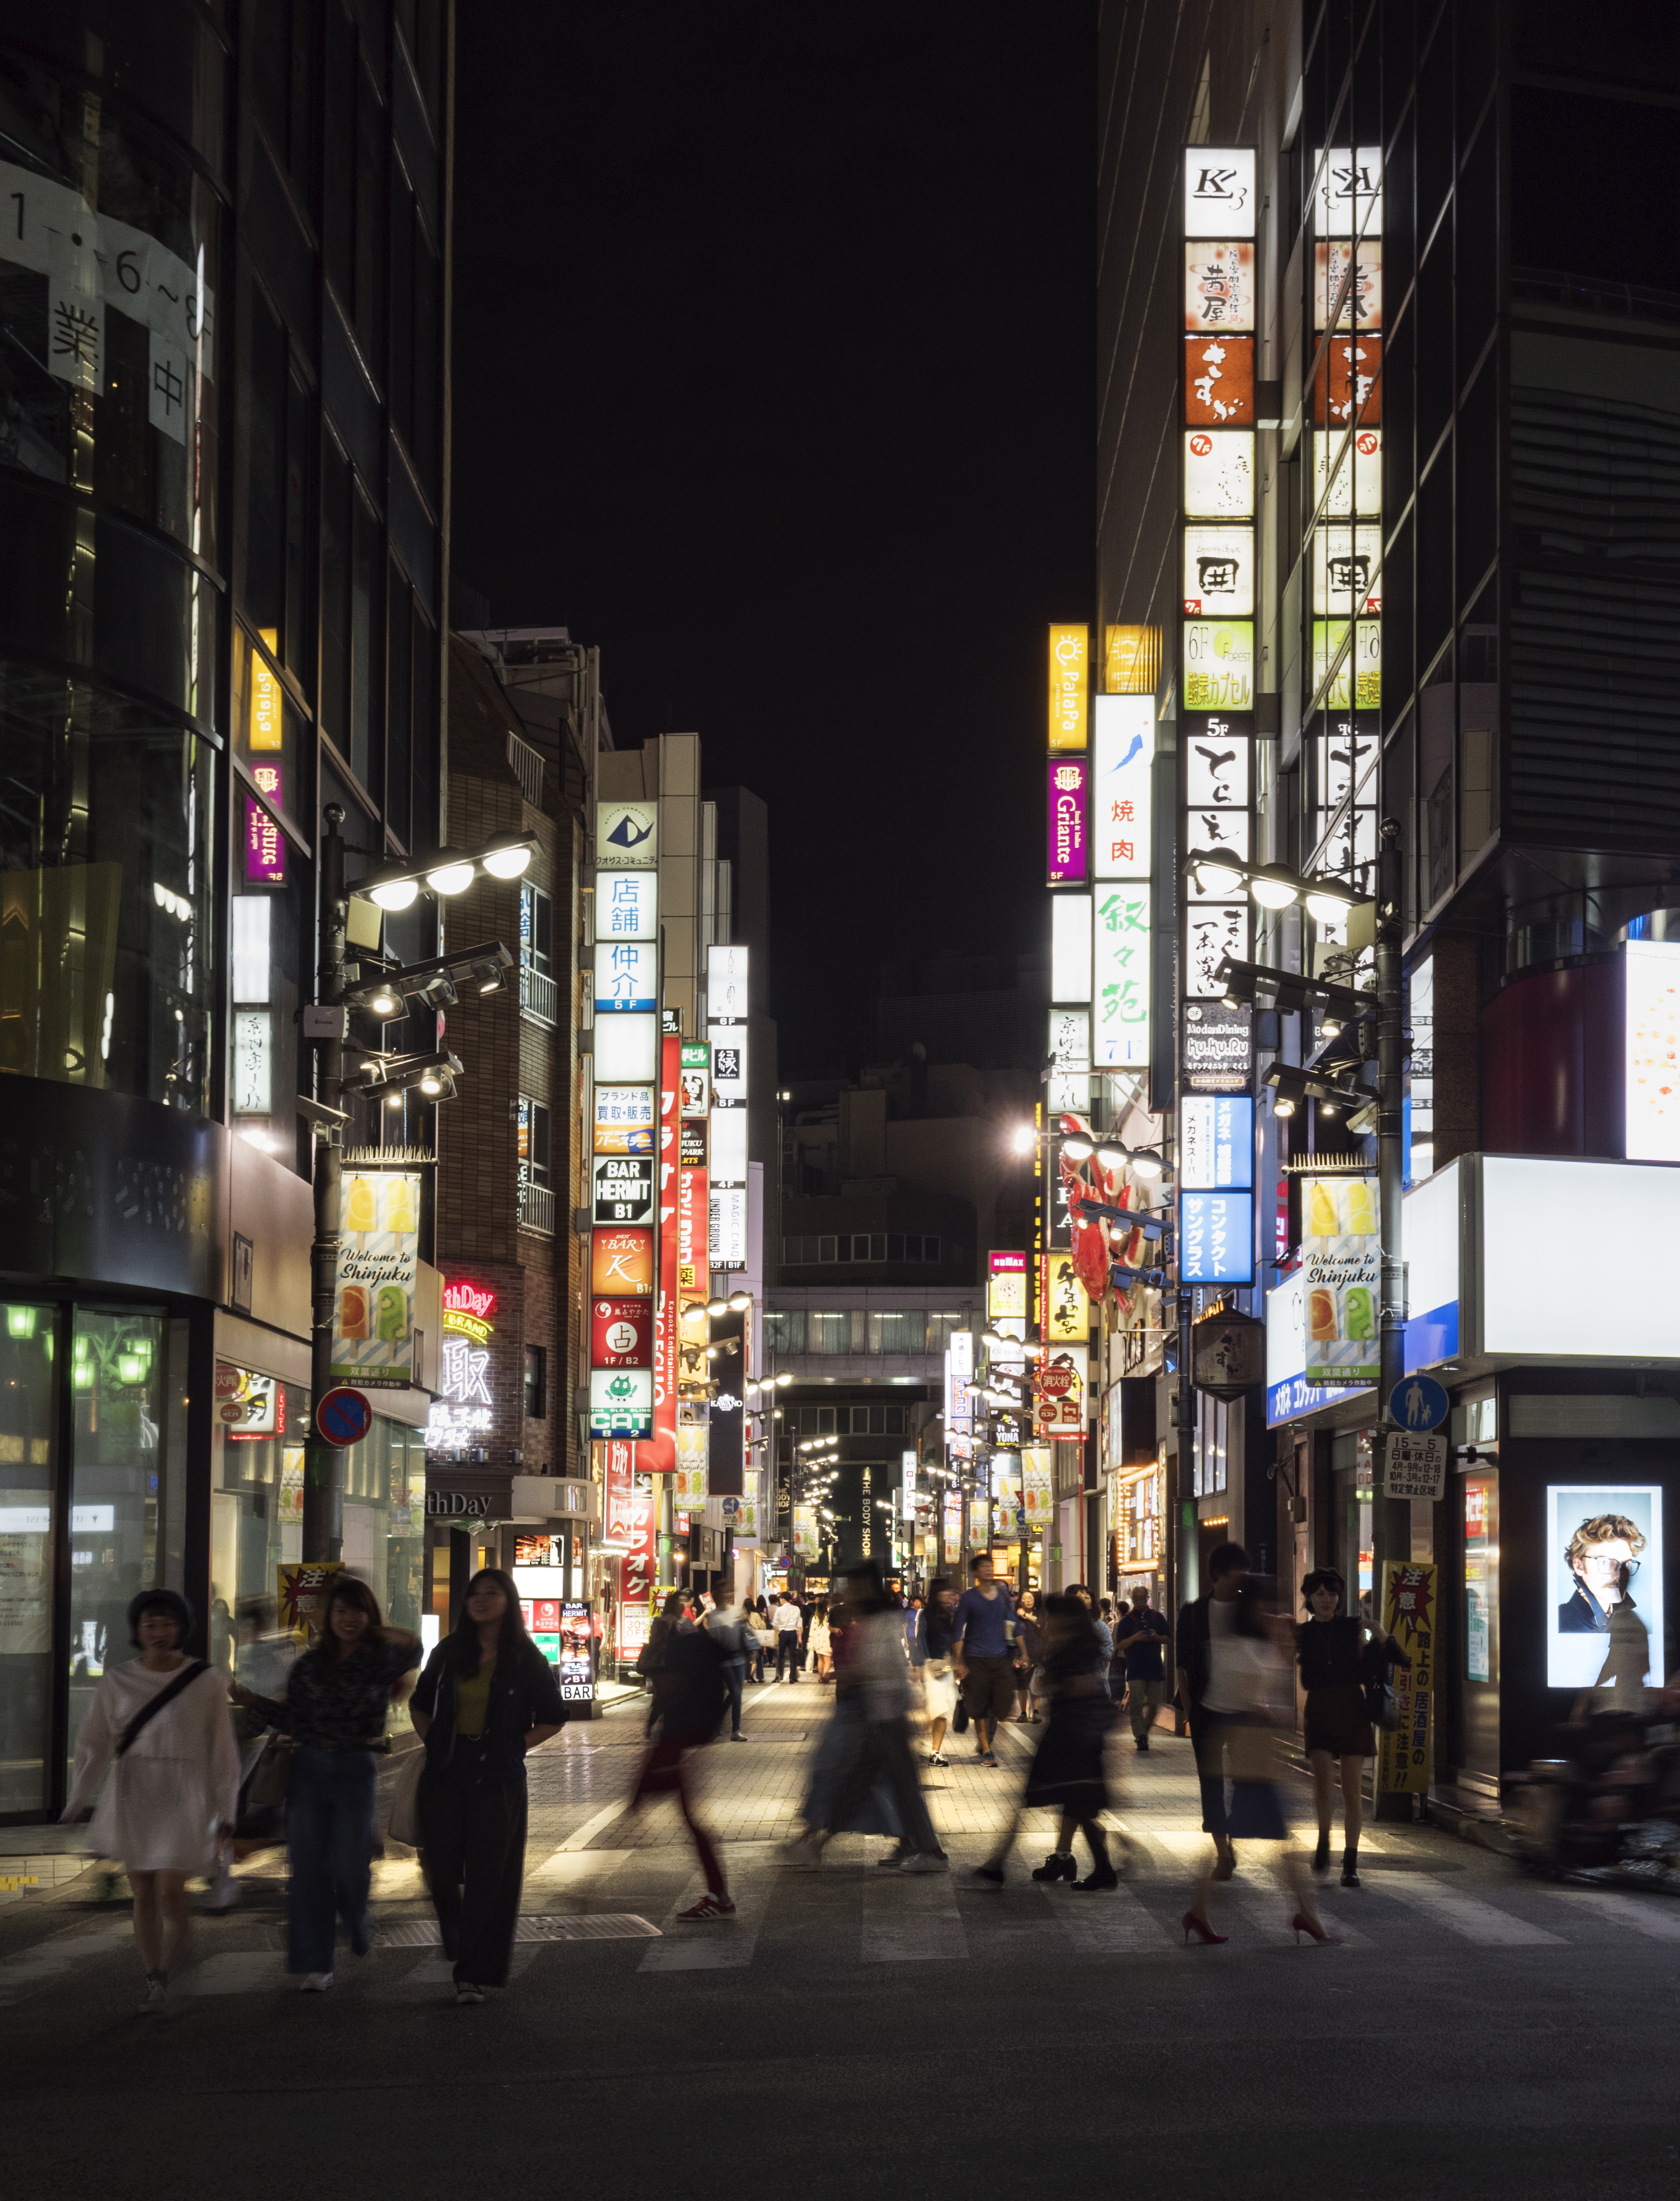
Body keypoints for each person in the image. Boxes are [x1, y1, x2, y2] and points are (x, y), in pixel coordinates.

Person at [233, 1573, 421, 1992]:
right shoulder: (308, 1665)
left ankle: (356, 1917)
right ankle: (315, 1962)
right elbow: (291, 1717)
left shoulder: (379, 1660)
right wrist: (252, 1705)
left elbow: (413, 1645)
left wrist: (372, 1627)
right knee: (307, 1870)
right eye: (340, 1611)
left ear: (369, 1615)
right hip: (310, 1769)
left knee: (351, 1866)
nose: (348, 1619)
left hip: (356, 1768)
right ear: (327, 1617)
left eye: (357, 1611)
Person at [64, 1589, 241, 2011]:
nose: (159, 1633)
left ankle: (174, 1963)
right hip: (134, 1790)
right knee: (142, 1891)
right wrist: (77, 1798)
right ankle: (154, 1976)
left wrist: (227, 1810)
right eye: (150, 1626)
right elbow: (94, 1744)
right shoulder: (118, 1680)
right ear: (137, 1632)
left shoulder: (207, 1680)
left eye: (167, 1624)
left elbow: (222, 1751)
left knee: (171, 1890)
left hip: (185, 1794)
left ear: (181, 1628)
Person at [408, 1569, 566, 1999]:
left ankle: (473, 1973)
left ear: (508, 1601)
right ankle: (461, 1940)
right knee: (440, 1872)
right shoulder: (448, 1652)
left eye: (491, 1592)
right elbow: (419, 1704)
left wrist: (514, 1748)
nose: (480, 1599)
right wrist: (435, 1740)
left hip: (498, 1779)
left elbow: (553, 1717)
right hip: (446, 1773)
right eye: (474, 1592)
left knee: (490, 1878)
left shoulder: (525, 1658)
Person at [1182, 1576, 1329, 1946]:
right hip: (1249, 1745)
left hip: (1248, 1744)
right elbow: (1245, 1695)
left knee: (1268, 1835)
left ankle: (1202, 1910)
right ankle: (1304, 1914)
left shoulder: (1235, 1643)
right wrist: (1266, 1708)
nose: (1270, 1612)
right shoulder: (1241, 1647)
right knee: (1277, 1835)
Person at [785, 1561, 946, 1872]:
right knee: (857, 1785)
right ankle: (817, 1845)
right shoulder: (874, 1621)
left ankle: (932, 1853)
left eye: (855, 1586)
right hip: (876, 1717)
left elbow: (888, 1670)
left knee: (897, 1787)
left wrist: (855, 1676)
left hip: (887, 1719)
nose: (850, 1593)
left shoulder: (883, 1622)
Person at [974, 1594, 1120, 1889]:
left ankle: (999, 1864)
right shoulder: (1075, 1648)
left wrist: (1055, 1682)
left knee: (1041, 1800)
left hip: (1070, 1739)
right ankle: (1094, 1867)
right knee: (1075, 1803)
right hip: (1074, 1737)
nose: (1046, 1621)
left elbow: (1081, 1688)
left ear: (1065, 1620)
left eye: (1050, 1617)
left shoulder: (1073, 1652)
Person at [1296, 1565, 1406, 1887]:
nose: (1327, 1600)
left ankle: (1351, 1860)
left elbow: (1394, 1657)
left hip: (1352, 1710)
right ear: (1309, 1598)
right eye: (1320, 1594)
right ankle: (1323, 1841)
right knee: (1322, 1787)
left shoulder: (1353, 1628)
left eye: (1332, 1594)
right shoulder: (1303, 1632)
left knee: (1352, 1791)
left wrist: (1378, 1629)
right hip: (1318, 1709)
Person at [629, 1594, 735, 1918]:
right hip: (685, 1739)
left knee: (693, 1822)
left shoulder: (682, 1660)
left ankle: (720, 1897)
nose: (654, 1680)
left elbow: (667, 1692)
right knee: (692, 1822)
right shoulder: (688, 1656)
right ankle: (719, 1895)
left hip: (684, 1742)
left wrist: (642, 1788)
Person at [1176, 1540, 1248, 1882]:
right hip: (1207, 1711)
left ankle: (1233, 1836)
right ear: (1218, 1575)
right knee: (1212, 1783)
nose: (1242, 1580)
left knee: (1245, 1782)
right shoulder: (1192, 1612)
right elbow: (1182, 1666)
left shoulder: (1250, 1610)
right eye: (1238, 1573)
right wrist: (1190, 1711)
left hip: (1244, 1712)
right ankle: (1223, 1852)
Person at [952, 1554, 1017, 1767]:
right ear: (975, 1573)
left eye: (991, 1566)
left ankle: (985, 1740)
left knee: (1002, 1703)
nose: (989, 1569)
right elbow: (957, 1632)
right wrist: (959, 1662)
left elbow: (1013, 1623)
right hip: (975, 1658)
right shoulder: (968, 1598)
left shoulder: (1003, 1594)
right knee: (979, 1707)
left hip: (1000, 1657)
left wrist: (1023, 1652)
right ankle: (987, 1750)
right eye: (984, 1567)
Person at [1558, 1514, 1647, 1634]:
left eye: (1626, 1564)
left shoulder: (1629, 1622)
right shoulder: (1561, 1625)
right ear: (1579, 1566)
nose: (1618, 1574)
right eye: (1605, 1562)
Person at [1116, 1585, 1170, 1751]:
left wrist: (1156, 1637)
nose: (1140, 1601)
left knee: (1155, 1704)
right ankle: (1140, 1736)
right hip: (1135, 1669)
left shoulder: (1157, 1617)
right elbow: (1120, 1645)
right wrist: (1135, 1638)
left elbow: (1167, 1639)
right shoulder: (1127, 1621)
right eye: (1136, 1599)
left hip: (1155, 1668)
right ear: (1132, 1600)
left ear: (1148, 1598)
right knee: (1137, 1705)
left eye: (1143, 1598)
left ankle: (1143, 1732)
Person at [917, 1577, 959, 1765]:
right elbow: (920, 1640)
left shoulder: (949, 1613)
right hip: (931, 1667)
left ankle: (932, 1747)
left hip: (947, 1667)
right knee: (939, 1711)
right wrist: (919, 1666)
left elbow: (955, 1641)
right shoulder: (926, 1614)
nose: (950, 1595)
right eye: (947, 1591)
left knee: (943, 1710)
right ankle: (934, 1752)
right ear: (938, 1593)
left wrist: (958, 1664)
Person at [703, 1587, 751, 1740]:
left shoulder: (738, 1610)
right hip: (724, 1658)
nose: (728, 1596)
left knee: (738, 1694)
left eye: (730, 1593)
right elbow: (715, 1639)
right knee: (735, 1692)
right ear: (719, 1596)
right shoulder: (714, 1615)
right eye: (725, 1593)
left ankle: (736, 1730)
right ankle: (720, 1723)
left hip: (740, 1657)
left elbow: (746, 1632)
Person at [1013, 1590, 1044, 1722]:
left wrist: (1025, 1615)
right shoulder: (1015, 1618)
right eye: (1026, 1598)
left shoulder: (1040, 1615)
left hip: (1038, 1654)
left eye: (1031, 1598)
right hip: (1021, 1655)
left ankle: (1036, 1711)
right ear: (1020, 1601)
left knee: (1036, 1684)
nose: (1029, 1600)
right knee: (1022, 1685)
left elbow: (1042, 1625)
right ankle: (1023, 1713)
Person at [775, 1592, 803, 1682]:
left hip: (783, 1634)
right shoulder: (797, 1609)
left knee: (781, 1656)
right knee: (793, 1656)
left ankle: (779, 1677)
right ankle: (792, 1678)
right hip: (793, 1634)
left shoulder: (779, 1610)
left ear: (783, 1599)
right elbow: (799, 1624)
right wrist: (800, 1637)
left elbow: (775, 1623)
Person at [808, 1598, 834, 1682]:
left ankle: (821, 1678)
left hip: (817, 1640)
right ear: (827, 1606)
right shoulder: (829, 1616)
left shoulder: (815, 1617)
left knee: (820, 1660)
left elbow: (812, 1630)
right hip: (827, 1640)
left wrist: (811, 1641)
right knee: (827, 1660)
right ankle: (824, 1676)